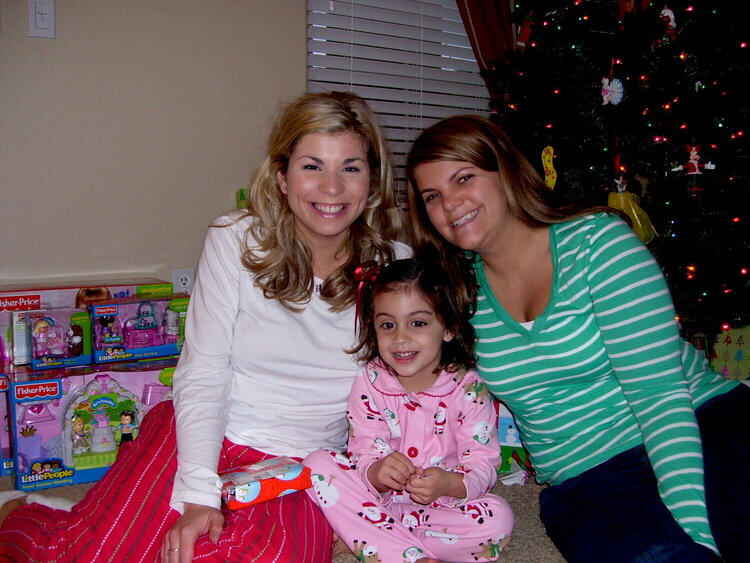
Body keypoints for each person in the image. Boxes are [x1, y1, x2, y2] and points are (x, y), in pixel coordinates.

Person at [0, 90, 409, 562]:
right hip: (207, 434)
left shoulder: (395, 269)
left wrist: (364, 499)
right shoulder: (234, 239)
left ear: (373, 181)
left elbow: (401, 394)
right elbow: (204, 370)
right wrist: (197, 495)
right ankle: (28, 508)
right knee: (78, 556)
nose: (332, 188)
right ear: (281, 176)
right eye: (312, 166)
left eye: (351, 168)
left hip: (306, 464)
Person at [404, 114, 750, 563]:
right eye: (433, 196)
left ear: (505, 172)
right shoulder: (456, 293)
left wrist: (698, 531)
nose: (450, 204)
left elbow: (660, 395)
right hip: (586, 473)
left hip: (697, 421)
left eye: (464, 178)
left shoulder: (597, 244)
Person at [305, 257, 513, 563]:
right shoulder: (370, 381)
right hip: (377, 504)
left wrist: (448, 482)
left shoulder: (468, 388)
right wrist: (376, 472)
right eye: (388, 325)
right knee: (317, 465)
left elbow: (483, 461)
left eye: (418, 323)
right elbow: (363, 449)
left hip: (441, 510)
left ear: (448, 327)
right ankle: (405, 555)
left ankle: (372, 541)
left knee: (498, 519)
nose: (400, 337)